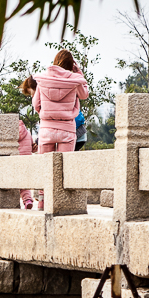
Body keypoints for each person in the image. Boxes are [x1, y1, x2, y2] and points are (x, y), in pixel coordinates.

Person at [32, 52, 88, 212]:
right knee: (64, 168)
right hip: (67, 130)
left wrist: (47, 115)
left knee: (45, 167)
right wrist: (79, 72)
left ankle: (42, 202)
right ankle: (60, 204)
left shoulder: (43, 79)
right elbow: (84, 94)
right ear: (72, 65)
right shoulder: (74, 80)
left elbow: (36, 104)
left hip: (46, 130)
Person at [18, 75, 39, 208]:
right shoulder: (26, 132)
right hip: (27, 160)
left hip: (16, 160)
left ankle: (27, 201)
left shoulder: (12, 134)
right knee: (24, 181)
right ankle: (28, 200)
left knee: (18, 183)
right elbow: (33, 148)